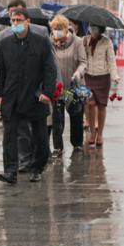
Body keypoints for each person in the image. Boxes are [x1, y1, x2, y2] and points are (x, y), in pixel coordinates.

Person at [0, 0, 59, 173]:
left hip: (35, 95)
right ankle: (10, 171)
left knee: (40, 138)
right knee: (9, 136)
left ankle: (37, 168)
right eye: (13, 20)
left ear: (27, 21)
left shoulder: (41, 40)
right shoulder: (5, 41)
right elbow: (0, 69)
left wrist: (48, 92)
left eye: (19, 20)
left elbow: (50, 68)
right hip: (12, 95)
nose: (15, 24)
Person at [49, 15, 87, 155]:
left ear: (66, 29)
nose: (57, 31)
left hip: (73, 86)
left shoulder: (77, 42)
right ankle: (58, 148)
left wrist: (78, 73)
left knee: (76, 116)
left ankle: (77, 145)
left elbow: (83, 62)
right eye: (54, 29)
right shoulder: (50, 42)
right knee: (57, 120)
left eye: (60, 29)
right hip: (57, 87)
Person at [84, 25, 119, 147]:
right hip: (88, 76)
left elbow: (111, 60)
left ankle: (100, 134)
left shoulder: (107, 42)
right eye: (90, 27)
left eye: (94, 28)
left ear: (100, 29)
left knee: (101, 106)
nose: (92, 30)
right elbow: (82, 58)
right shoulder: (85, 40)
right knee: (90, 104)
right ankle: (92, 132)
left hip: (103, 77)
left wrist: (115, 76)